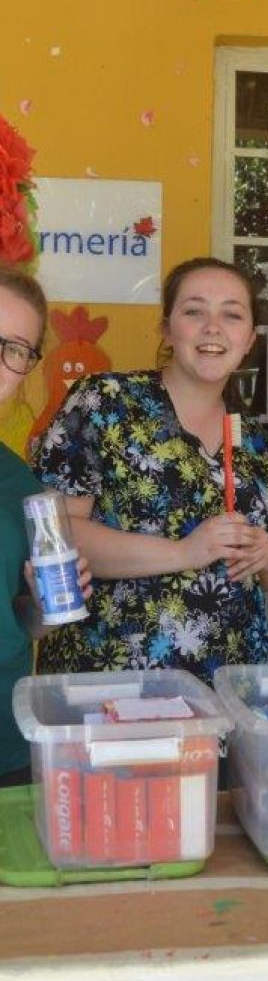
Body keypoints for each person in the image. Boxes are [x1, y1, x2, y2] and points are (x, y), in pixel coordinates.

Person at [32, 257, 268, 683]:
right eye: (194, 311)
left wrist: (266, 555)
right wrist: (184, 553)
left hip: (227, 690)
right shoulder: (105, 401)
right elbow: (56, 537)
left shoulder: (254, 442)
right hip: (113, 685)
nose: (212, 327)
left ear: (249, 339)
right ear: (167, 329)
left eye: (232, 314)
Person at [0, 266, 90, 786]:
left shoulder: (19, 484)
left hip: (3, 746)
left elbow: (23, 620)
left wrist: (44, 611)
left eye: (16, 348)